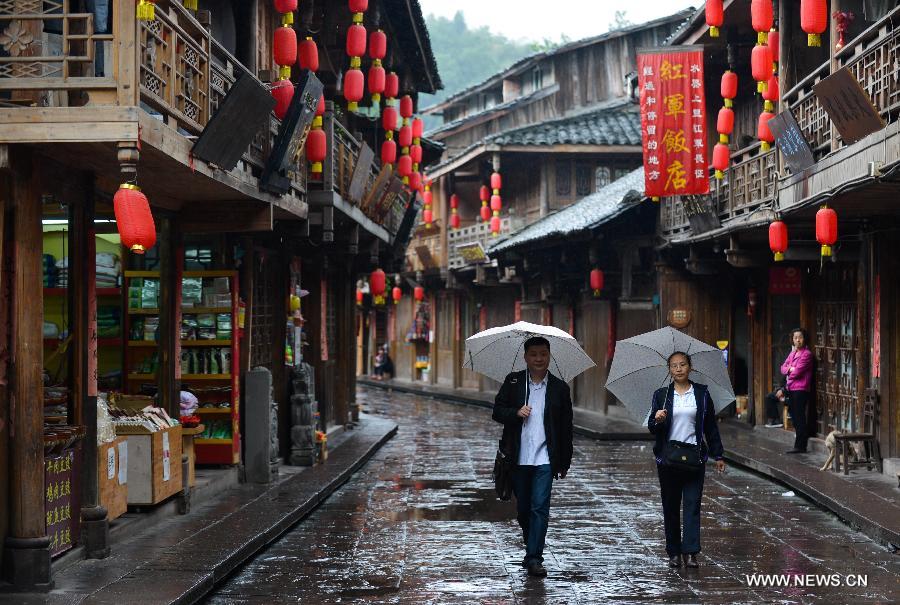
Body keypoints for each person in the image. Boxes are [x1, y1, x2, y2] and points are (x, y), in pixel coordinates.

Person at [492, 336, 574, 578]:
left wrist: (564, 461)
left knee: (540, 507)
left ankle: (534, 557)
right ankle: (532, 545)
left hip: (545, 459)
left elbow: (566, 428)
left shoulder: (560, 388)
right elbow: (497, 411)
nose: (539, 359)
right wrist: (515, 412)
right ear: (526, 357)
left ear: (549, 356)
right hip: (518, 458)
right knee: (524, 510)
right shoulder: (514, 381)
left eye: (543, 354)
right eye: (534, 354)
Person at [648, 352, 725, 569]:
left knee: (692, 505)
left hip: (694, 457)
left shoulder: (701, 393)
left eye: (683, 364)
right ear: (669, 370)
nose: (679, 369)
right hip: (668, 459)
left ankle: (691, 552)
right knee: (670, 506)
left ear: (690, 367)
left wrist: (718, 454)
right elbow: (653, 428)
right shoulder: (661, 395)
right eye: (674, 366)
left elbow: (710, 426)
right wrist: (658, 419)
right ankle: (673, 552)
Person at [780, 328, 814, 453]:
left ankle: (801, 446)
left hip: (801, 389)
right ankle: (798, 444)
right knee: (794, 417)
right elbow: (783, 368)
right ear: (792, 340)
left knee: (799, 417)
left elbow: (797, 372)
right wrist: (790, 368)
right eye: (795, 338)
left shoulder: (807, 354)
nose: (798, 340)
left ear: (804, 339)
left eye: (800, 337)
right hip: (791, 388)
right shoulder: (793, 353)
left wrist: (790, 370)